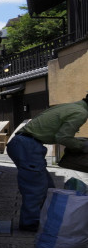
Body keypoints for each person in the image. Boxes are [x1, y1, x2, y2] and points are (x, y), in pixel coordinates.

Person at [6, 93, 88, 232]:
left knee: (47, 187)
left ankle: (45, 219)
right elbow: (63, 137)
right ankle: (30, 224)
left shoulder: (70, 106)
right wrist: (82, 146)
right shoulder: (80, 113)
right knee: (36, 188)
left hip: (26, 144)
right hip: (28, 145)